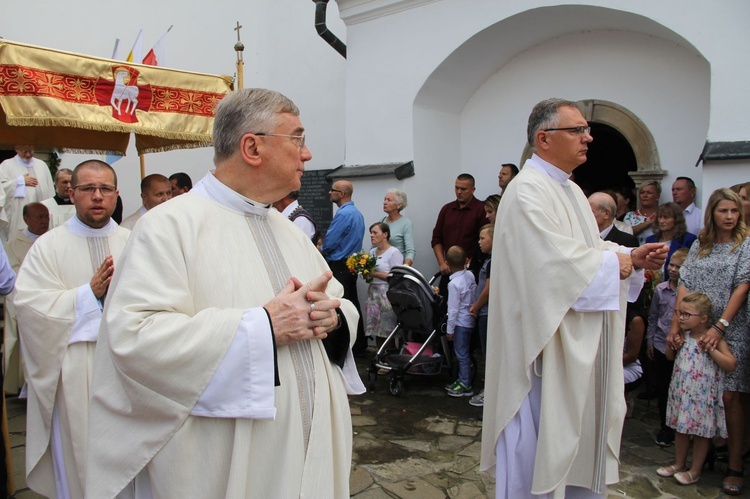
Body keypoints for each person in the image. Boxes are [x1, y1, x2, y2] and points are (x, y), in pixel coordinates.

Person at [86, 88, 365, 498]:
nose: (306, 155)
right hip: (229, 460)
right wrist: (262, 326)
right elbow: (134, 338)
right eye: (298, 139)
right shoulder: (169, 227)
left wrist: (334, 318)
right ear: (252, 146)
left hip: (311, 450)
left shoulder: (289, 230)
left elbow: (337, 301)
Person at [480, 98, 668, 498]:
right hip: (540, 351)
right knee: (539, 449)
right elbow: (550, 264)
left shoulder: (569, 191)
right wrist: (616, 262)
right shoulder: (527, 190)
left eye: (586, 129)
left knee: (575, 442)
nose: (589, 137)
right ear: (543, 138)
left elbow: (587, 250)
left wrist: (629, 258)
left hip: (572, 342)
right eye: (578, 130)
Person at [14, 160, 129, 498]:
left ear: (116, 194)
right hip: (75, 373)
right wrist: (86, 295)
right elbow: (30, 307)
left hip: (128, 367)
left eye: (105, 189)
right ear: (71, 193)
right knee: (81, 460)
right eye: (88, 189)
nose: (97, 196)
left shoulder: (136, 241)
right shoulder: (48, 247)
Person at [666, 187, 750, 496]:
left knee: (730, 397)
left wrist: (721, 326)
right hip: (697, 328)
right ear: (712, 212)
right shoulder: (701, 244)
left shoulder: (745, 244)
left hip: (733, 327)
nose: (730, 217)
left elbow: (742, 286)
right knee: (700, 393)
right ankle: (695, 457)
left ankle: (736, 464)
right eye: (723, 211)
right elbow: (684, 284)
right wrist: (677, 324)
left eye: (735, 211)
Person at [658, 292, 736, 486]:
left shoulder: (713, 340)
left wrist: (711, 349)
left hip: (703, 395)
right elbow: (669, 357)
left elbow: (730, 364)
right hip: (683, 392)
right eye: (680, 313)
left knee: (701, 432)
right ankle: (679, 463)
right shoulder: (682, 337)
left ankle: (695, 469)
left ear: (703, 318)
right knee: (681, 428)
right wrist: (673, 346)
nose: (681, 318)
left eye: (687, 314)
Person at [3, 202, 49, 396]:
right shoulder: (13, 245)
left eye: (46, 217)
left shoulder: (54, 239)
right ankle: (25, 384)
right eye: (39, 217)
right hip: (27, 298)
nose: (44, 221)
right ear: (25, 219)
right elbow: (11, 275)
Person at [647, 247, 688, 447]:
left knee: (680, 389)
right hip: (661, 344)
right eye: (671, 264)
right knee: (664, 388)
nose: (673, 269)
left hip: (681, 347)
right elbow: (653, 317)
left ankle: (682, 429)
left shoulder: (689, 294)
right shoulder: (660, 290)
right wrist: (650, 340)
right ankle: (666, 427)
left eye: (679, 266)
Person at [321, 179, 367, 356]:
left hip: (339, 265)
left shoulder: (343, 214)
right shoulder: (357, 213)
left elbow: (330, 242)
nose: (329, 193)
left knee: (341, 305)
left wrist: (321, 250)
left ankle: (346, 345)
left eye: (332, 190)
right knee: (352, 303)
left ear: (342, 194)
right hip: (351, 265)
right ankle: (359, 345)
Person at [431, 174, 487, 278]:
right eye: (457, 188)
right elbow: (436, 239)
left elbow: (485, 241)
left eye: (463, 189)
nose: (459, 192)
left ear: (473, 189)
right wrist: (441, 263)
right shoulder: (447, 209)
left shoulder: (481, 209)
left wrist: (471, 262)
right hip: (447, 271)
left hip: (471, 271)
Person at [0, 145, 54, 242]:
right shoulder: (6, 165)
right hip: (18, 215)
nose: (28, 155)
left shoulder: (41, 165)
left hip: (42, 214)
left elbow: (50, 189)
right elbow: (2, 189)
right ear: (16, 149)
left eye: (31, 151)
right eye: (25, 152)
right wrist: (20, 181)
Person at [444, 245, 477, 398]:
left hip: (460, 323)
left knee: (461, 354)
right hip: (469, 320)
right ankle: (461, 379)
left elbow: (453, 309)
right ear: (466, 260)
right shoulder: (470, 276)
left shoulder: (453, 284)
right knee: (464, 353)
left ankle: (465, 384)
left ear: (447, 263)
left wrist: (449, 330)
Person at [364, 222, 403, 346]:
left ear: (385, 234)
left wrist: (375, 274)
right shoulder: (372, 253)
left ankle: (389, 359)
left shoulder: (393, 252)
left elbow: (397, 276)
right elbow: (369, 276)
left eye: (375, 232)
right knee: (376, 329)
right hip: (373, 293)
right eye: (371, 232)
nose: (371, 235)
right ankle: (380, 359)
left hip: (386, 294)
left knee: (387, 329)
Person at [468, 224, 493, 407]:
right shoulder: (487, 260)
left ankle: (490, 392)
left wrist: (476, 306)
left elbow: (488, 288)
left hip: (486, 312)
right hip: (483, 311)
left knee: (488, 353)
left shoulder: (494, 261)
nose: (479, 242)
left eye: (483, 238)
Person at [645, 202, 697, 281]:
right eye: (660, 217)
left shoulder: (688, 240)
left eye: (666, 217)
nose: (661, 221)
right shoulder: (650, 240)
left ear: (676, 219)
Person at [381, 188, 415, 266]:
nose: (384, 202)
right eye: (385, 199)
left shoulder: (406, 223)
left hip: (396, 267)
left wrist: (405, 267)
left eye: (389, 200)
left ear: (399, 205)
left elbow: (410, 250)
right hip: (380, 267)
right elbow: (374, 246)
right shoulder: (381, 221)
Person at [624, 181, 660, 245]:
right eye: (642, 192)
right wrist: (650, 222)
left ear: (658, 196)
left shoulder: (663, 215)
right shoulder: (630, 216)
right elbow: (627, 233)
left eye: (649, 193)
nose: (645, 195)